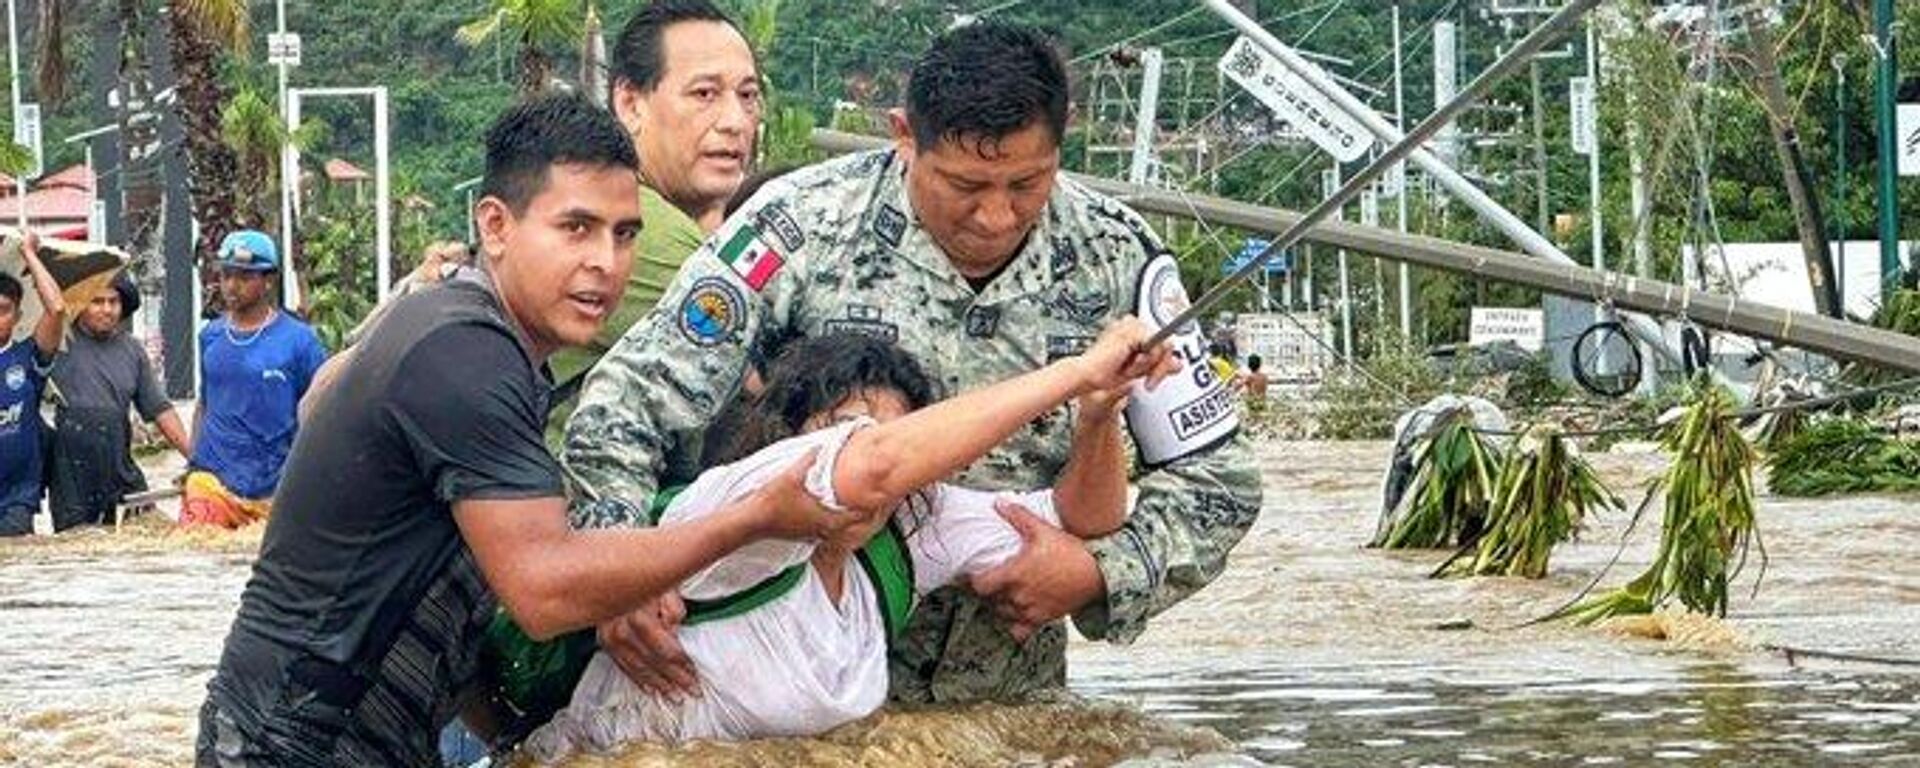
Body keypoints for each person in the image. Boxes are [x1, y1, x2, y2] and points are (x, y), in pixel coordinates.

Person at [564, 21, 1263, 706]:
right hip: (784, 688)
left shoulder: (1118, 255)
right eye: (964, 186)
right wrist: (621, 567)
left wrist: (1100, 571)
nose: (995, 216)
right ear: (904, 135)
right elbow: (628, 402)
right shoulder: (799, 226)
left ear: (1063, 135)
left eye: (1026, 184)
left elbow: (1220, 479)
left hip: (1008, 703)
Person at [195, 94, 856, 768]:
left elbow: (430, 574)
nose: (606, 261)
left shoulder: (466, 333)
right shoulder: (467, 351)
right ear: (496, 225)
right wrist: (753, 519)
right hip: (292, 743)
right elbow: (543, 589)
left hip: (327, 732)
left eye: (624, 234)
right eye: (576, 227)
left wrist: (513, 736)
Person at [523, 329, 1161, 758]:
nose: (877, 451)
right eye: (845, 430)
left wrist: (1098, 413)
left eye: (899, 436)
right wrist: (1076, 372)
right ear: (792, 434)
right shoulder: (742, 502)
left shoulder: (909, 528)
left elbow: (1082, 518)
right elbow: (873, 466)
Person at [546, 0, 764, 443]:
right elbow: (767, 386)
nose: (735, 122)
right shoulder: (646, 230)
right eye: (705, 94)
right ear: (630, 103)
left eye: (747, 96)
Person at [180, 230, 328, 529]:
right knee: (195, 547)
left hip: (277, 485)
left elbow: (321, 411)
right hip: (213, 482)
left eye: (245, 278)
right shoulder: (210, 336)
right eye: (226, 276)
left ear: (268, 281)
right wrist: (192, 463)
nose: (232, 286)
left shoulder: (300, 341)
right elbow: (205, 403)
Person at [46, 272, 192, 531]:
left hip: (120, 468)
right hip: (70, 475)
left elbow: (160, 409)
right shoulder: (57, 341)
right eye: (97, 302)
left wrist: (195, 458)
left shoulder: (132, 350)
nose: (107, 310)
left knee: (153, 537)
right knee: (78, 551)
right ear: (80, 305)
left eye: (113, 302)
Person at [0, 232, 64, 536]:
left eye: (3, 310)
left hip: (16, 502)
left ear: (17, 315)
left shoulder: (27, 358)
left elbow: (57, 310)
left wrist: (29, 254)